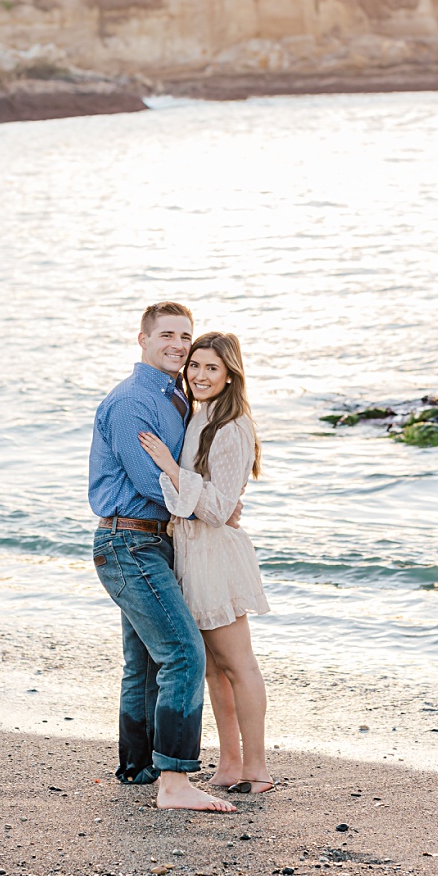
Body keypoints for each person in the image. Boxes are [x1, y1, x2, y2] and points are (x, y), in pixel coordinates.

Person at [88, 302, 236, 812]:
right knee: (184, 654)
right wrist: (210, 508)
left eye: (185, 336)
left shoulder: (176, 397)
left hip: (151, 541)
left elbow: (181, 474)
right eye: (167, 335)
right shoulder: (133, 402)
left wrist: (204, 501)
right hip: (129, 542)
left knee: (146, 663)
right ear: (143, 340)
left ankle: (139, 769)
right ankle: (175, 780)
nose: (178, 345)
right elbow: (150, 483)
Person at [139, 332, 275, 794]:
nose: (199, 375)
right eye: (194, 366)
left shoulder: (232, 425)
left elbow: (216, 509)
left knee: (239, 665)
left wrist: (169, 466)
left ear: (230, 373)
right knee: (213, 670)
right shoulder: (201, 418)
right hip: (192, 552)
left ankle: (257, 770)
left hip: (216, 556)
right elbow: (208, 501)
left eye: (211, 368)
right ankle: (229, 766)